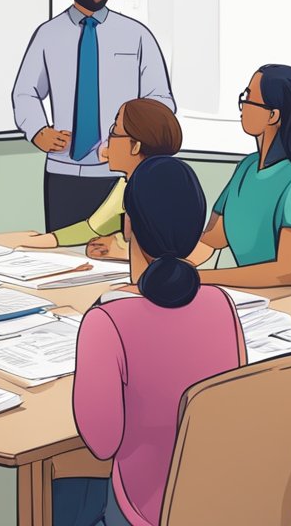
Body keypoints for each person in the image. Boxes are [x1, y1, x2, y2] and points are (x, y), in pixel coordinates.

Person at [71, 155, 245, 525]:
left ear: (129, 224)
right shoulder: (222, 304)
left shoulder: (106, 320)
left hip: (143, 510)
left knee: (63, 493)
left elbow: (101, 444)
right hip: (215, 500)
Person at [12, 0, 175, 233]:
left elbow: (161, 100)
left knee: (118, 257)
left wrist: (130, 141)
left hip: (124, 172)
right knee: (62, 258)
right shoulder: (48, 35)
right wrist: (38, 130)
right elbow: (25, 91)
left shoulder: (136, 34)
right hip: (64, 171)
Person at [187, 65, 291, 287]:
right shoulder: (246, 167)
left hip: (283, 303)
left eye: (249, 98)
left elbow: (287, 272)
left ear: (273, 115)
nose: (242, 105)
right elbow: (210, 241)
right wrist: (172, 269)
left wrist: (198, 278)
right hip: (246, 297)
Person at [0, 98, 182, 262]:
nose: (106, 143)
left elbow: (176, 250)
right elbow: (92, 227)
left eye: (113, 132)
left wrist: (123, 250)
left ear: (135, 146)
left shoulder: (162, 188)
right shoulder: (126, 185)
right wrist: (38, 241)